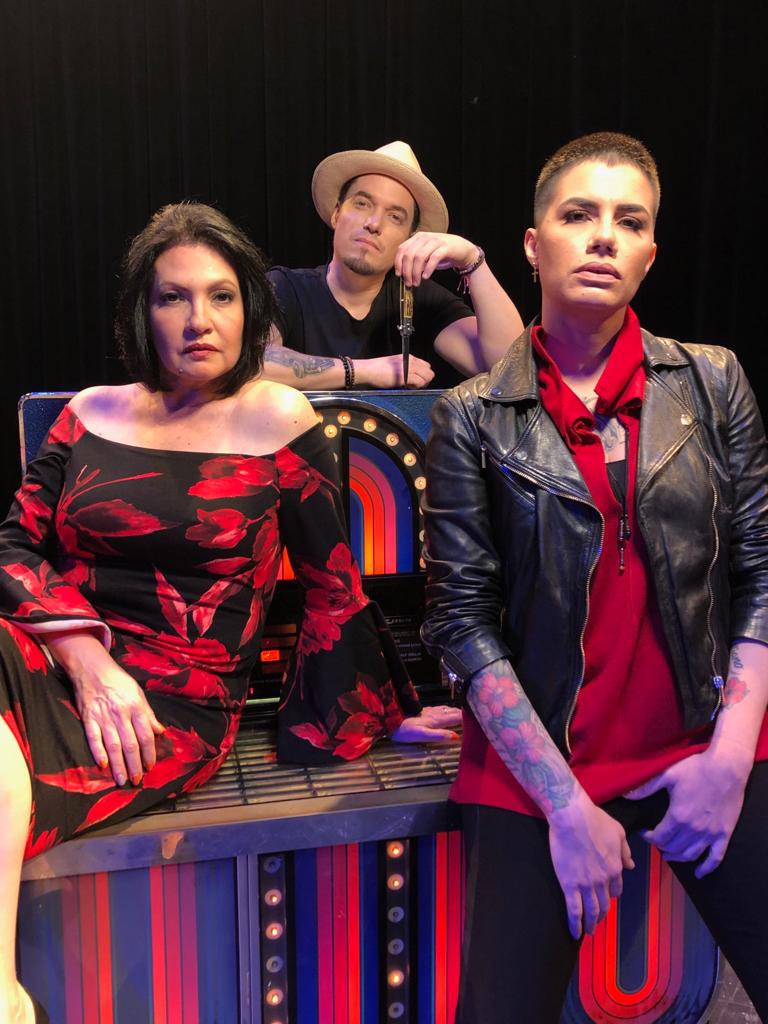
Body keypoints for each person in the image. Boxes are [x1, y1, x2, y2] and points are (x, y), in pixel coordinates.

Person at [0, 202, 460, 1023]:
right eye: (172, 297)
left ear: (249, 307)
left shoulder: (275, 417)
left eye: (220, 296)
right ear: (141, 311)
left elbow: (332, 586)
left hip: (172, 704)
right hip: (63, 661)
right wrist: (87, 657)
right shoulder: (89, 412)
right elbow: (12, 547)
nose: (198, 319)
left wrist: (390, 711)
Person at [420, 132, 768, 1022]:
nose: (605, 235)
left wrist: (729, 763)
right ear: (534, 244)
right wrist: (567, 808)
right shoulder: (472, 415)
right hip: (542, 770)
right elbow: (461, 622)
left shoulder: (715, 380)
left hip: (704, 746)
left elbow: (759, 575)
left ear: (650, 253)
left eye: (630, 221)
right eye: (579, 214)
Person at [263, 140, 524, 390]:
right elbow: (253, 362)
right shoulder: (285, 287)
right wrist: (363, 371)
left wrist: (473, 261)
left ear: (410, 238)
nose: (374, 223)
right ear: (336, 213)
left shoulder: (419, 300)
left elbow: (511, 370)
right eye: (362, 204)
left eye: (395, 217)